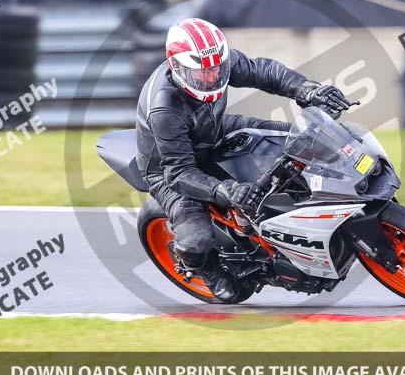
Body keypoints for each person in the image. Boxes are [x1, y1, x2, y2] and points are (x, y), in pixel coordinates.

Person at [135, 18, 352, 302]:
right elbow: (180, 173)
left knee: (299, 138)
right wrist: (226, 190)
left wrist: (307, 89)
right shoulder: (164, 108)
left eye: (216, 69)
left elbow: (264, 71)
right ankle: (205, 269)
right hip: (170, 169)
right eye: (202, 73)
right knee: (196, 238)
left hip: (213, 129)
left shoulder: (216, 61)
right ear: (177, 68)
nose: (211, 77)